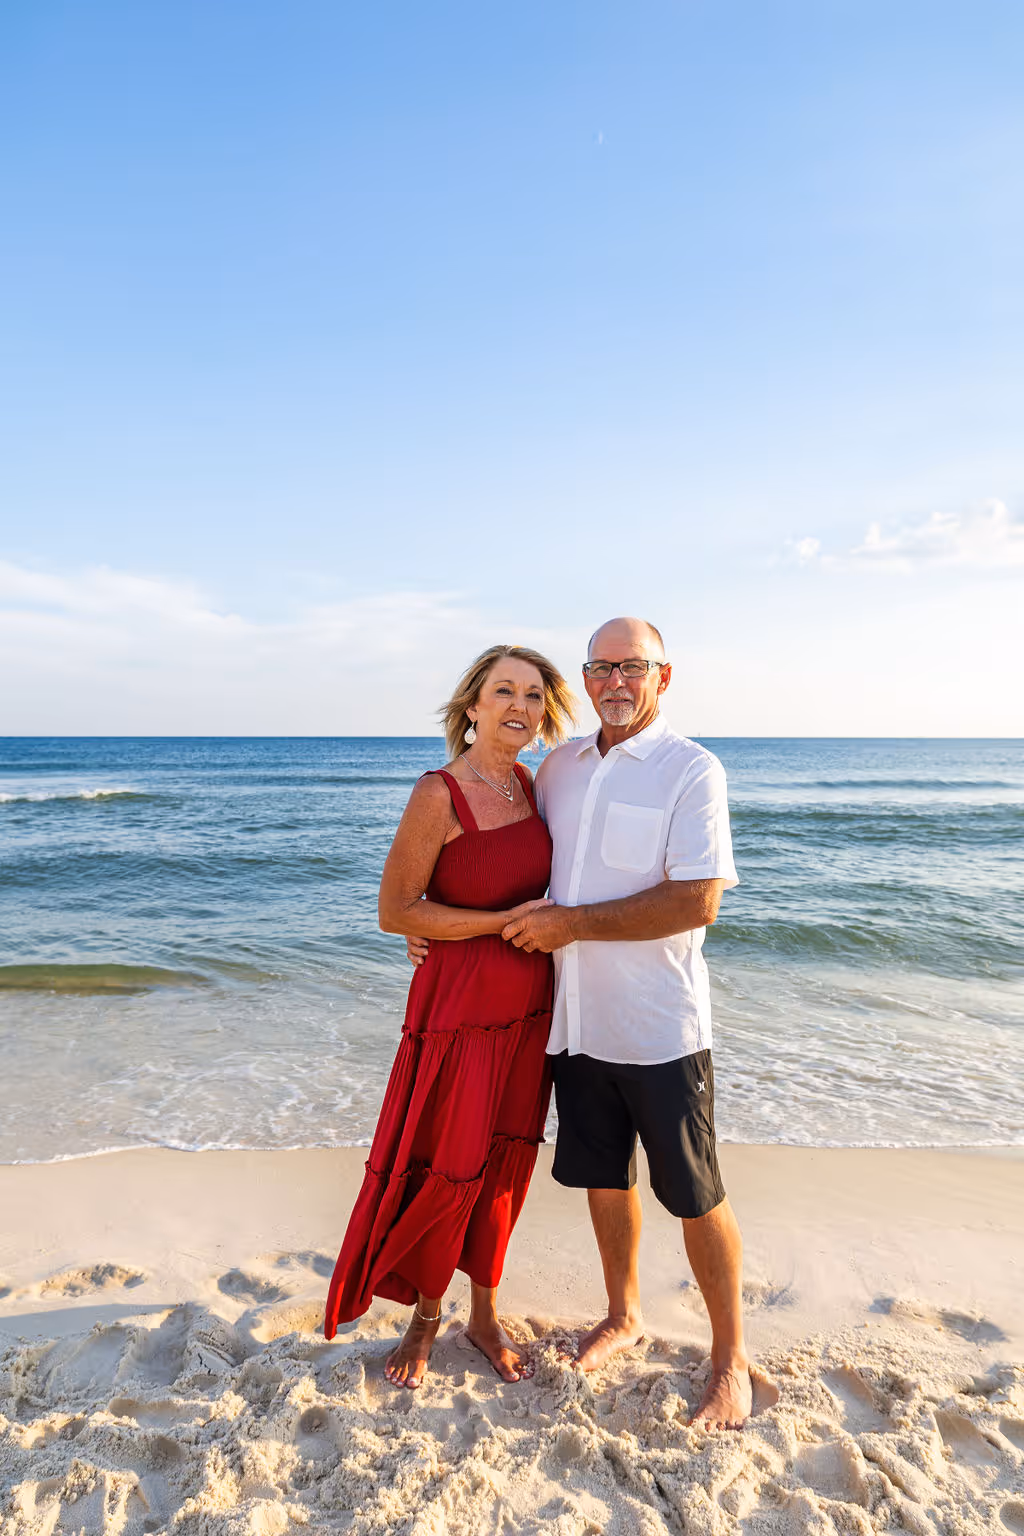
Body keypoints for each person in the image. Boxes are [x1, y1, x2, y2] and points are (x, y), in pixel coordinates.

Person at [501, 617, 752, 1430]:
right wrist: (433, 924)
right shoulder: (561, 766)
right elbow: (515, 860)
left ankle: (731, 1359)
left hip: (660, 1026)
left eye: (630, 667)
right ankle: (624, 1312)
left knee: (695, 1192)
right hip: (575, 1020)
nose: (613, 681)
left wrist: (571, 925)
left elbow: (696, 900)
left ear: (662, 676)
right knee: (603, 1179)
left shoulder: (692, 770)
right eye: (600, 667)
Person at [323, 644, 576, 1391]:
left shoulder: (533, 786)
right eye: (505, 692)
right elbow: (394, 910)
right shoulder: (439, 793)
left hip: (530, 1008)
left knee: (504, 1161)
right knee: (451, 1160)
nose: (520, 708)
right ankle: (427, 1315)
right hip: (460, 1011)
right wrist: (495, 922)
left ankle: (486, 1312)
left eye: (534, 696)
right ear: (472, 706)